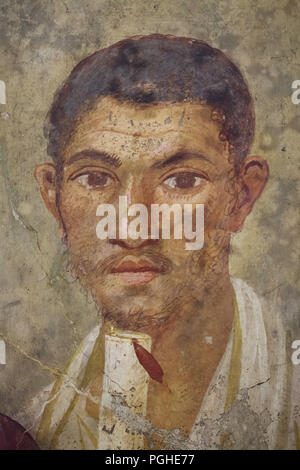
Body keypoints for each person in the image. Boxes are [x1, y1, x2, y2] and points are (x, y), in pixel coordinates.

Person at [31, 34, 299, 449]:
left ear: (242, 196)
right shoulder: (33, 427)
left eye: (182, 180)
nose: (133, 230)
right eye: (96, 178)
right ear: (54, 198)